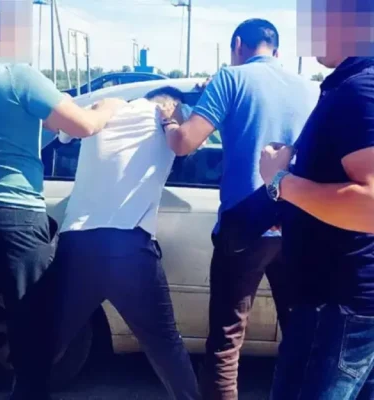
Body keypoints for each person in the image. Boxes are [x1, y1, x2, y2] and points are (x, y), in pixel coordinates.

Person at [0, 1, 125, 399]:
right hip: (14, 218)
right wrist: (108, 106)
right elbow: (84, 125)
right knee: (32, 325)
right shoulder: (20, 75)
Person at [161, 19, 319, 400]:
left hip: (244, 225)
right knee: (301, 337)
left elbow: (184, 143)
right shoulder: (310, 89)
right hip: (296, 221)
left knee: (226, 341)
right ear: (277, 51)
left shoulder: (230, 79)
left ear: (237, 45)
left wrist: (168, 119)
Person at [47, 86, 201, 399]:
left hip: (78, 243)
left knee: (49, 341)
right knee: (165, 345)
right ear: (173, 104)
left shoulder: (105, 108)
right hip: (129, 247)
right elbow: (190, 147)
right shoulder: (169, 120)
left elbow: (62, 133)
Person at [260, 2, 374, 398]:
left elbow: (370, 205)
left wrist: (279, 181)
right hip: (345, 302)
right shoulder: (351, 86)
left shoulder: (360, 91)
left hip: (338, 306)